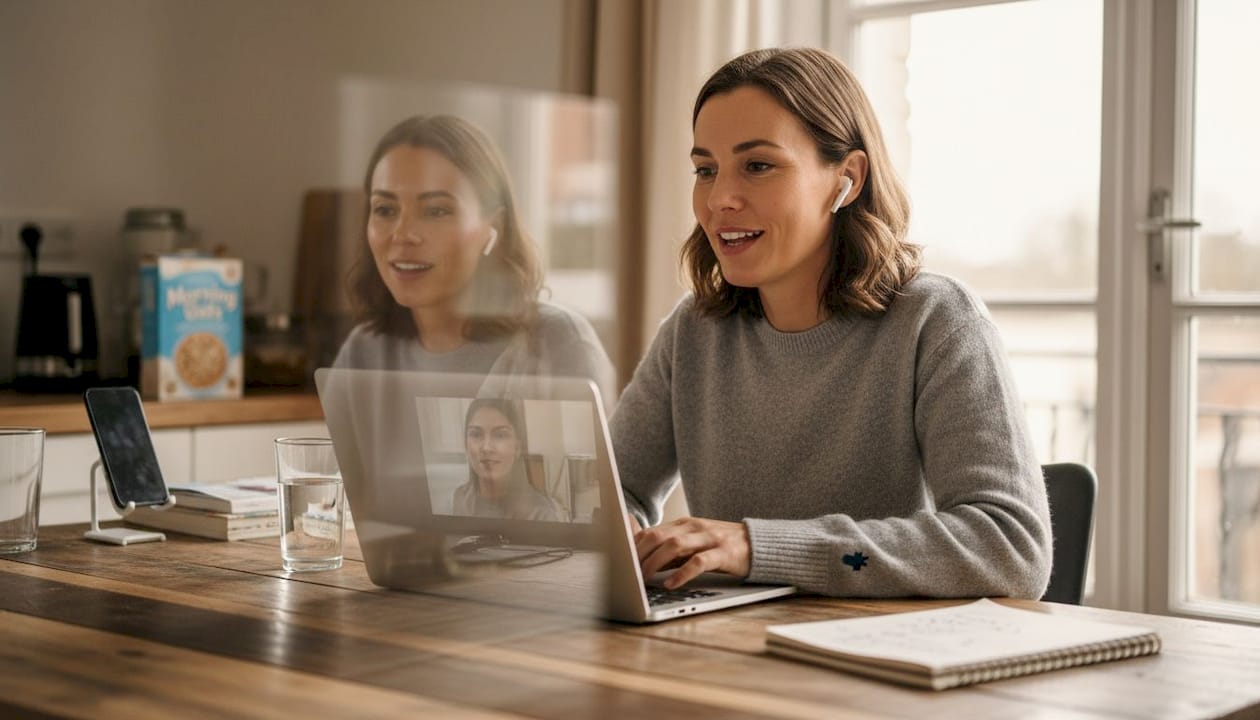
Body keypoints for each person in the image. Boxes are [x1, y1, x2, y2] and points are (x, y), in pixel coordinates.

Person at [611, 48, 1052, 598]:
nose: (719, 199)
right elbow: (613, 493)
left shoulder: (936, 322)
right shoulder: (692, 331)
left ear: (847, 178)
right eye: (706, 170)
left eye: (758, 165)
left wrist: (759, 547)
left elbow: (1009, 550)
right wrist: (617, 531)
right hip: (729, 643)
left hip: (877, 649)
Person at [334, 114, 614, 402]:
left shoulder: (557, 344)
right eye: (385, 210)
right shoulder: (362, 353)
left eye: (436, 211)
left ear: (494, 227)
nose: (403, 234)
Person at [453, 398, 565, 521]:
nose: (486, 447)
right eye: (476, 434)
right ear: (465, 444)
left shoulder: (540, 513)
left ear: (517, 447)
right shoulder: (460, 499)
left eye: (500, 435)